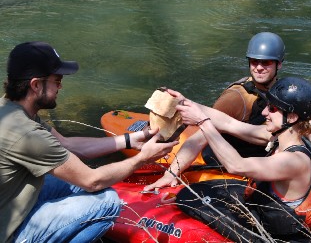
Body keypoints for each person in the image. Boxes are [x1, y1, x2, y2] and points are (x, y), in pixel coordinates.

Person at [0, 41, 178, 243]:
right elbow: (92, 181)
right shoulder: (27, 134)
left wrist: (129, 140)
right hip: (8, 235)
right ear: (35, 85)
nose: (61, 86)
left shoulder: (10, 109)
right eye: (57, 81)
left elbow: (67, 145)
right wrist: (142, 159)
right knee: (108, 202)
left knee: (67, 179)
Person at [147, 77, 311, 241]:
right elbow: (229, 124)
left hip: (283, 233)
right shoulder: (280, 137)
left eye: (272, 108)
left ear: (292, 117)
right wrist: (185, 103)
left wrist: (202, 122)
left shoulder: (295, 161)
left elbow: (236, 165)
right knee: (199, 190)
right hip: (272, 210)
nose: (264, 112)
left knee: (187, 196)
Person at [201, 32, 285, 164]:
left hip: (262, 156)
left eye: (266, 62)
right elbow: (203, 133)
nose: (259, 68)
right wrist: (172, 173)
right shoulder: (236, 98)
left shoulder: (282, 91)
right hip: (232, 162)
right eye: (254, 61)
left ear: (278, 64)